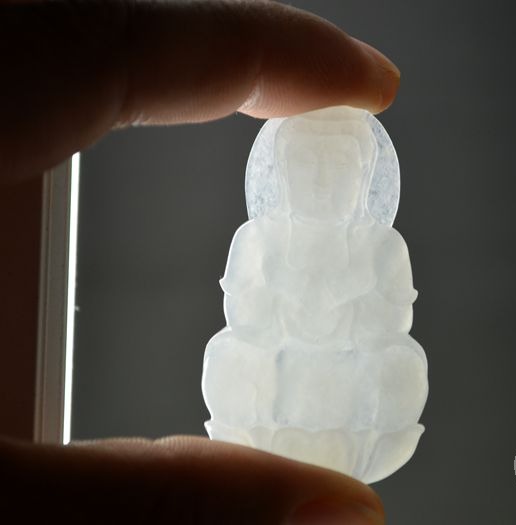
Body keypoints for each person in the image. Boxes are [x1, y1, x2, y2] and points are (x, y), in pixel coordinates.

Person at [0, 2, 400, 524]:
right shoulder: (259, 238)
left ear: (363, 180)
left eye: (340, 166)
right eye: (308, 164)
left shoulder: (380, 246)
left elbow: (389, 323)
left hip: (344, 381)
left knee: (402, 365)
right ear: (282, 174)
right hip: (277, 380)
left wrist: (345, 318)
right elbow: (247, 320)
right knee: (229, 353)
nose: (323, 180)